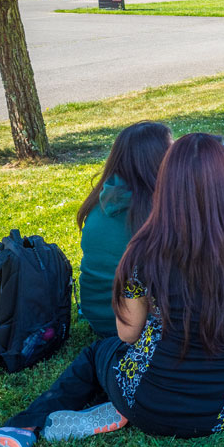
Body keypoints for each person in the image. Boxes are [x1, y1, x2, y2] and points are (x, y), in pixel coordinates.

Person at [0, 134, 224, 447]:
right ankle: (108, 407)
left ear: (167, 185)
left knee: (98, 353)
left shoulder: (144, 250)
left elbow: (127, 334)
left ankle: (23, 427)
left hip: (146, 406)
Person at [76, 121, 172, 338]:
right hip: (132, 324)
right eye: (172, 150)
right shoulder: (153, 214)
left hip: (98, 316)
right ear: (156, 160)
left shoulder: (102, 198)